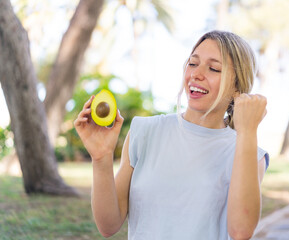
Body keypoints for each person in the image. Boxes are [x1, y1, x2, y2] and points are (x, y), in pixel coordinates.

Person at [74, 30, 269, 240]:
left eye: (214, 68)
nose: (196, 74)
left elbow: (241, 231)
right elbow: (108, 225)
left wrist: (247, 131)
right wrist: (101, 159)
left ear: (237, 88)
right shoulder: (145, 132)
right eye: (193, 63)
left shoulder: (248, 153)